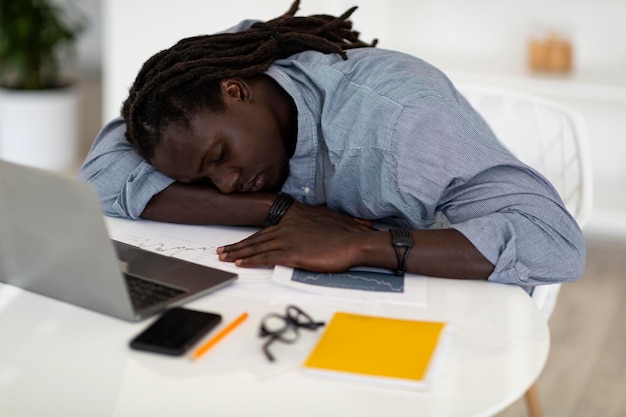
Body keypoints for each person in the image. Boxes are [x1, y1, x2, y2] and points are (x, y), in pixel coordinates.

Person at [79, 1, 585, 290]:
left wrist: (365, 243)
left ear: (236, 91)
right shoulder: (219, 70)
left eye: (219, 159)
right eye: (205, 181)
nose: (227, 184)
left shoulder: (401, 123)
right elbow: (100, 180)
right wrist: (279, 210)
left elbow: (555, 244)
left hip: (451, 303)